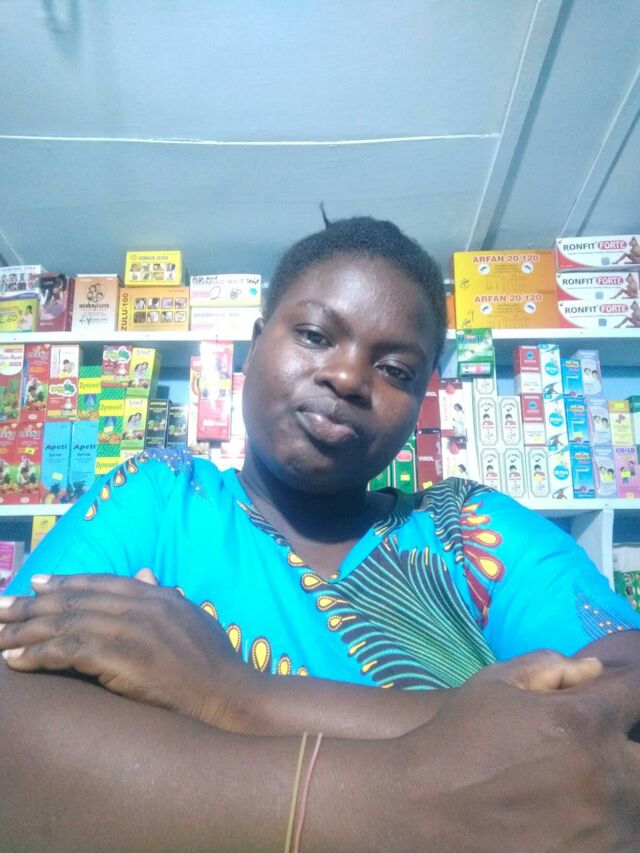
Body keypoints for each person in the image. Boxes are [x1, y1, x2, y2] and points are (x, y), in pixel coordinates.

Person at [1, 216, 640, 850]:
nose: (348, 377)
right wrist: (429, 784)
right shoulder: (161, 498)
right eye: (314, 335)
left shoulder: (472, 530)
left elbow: (620, 724)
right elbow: (15, 731)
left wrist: (239, 698)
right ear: (255, 345)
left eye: (396, 370)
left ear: (422, 400)